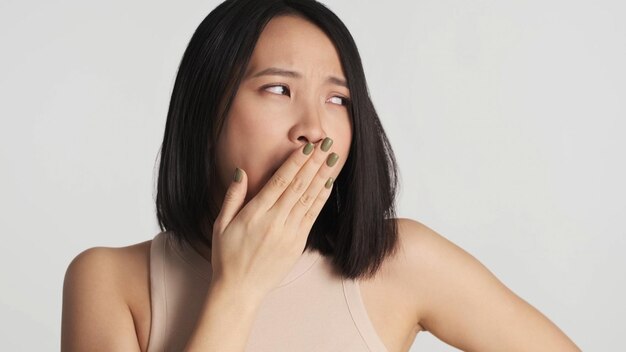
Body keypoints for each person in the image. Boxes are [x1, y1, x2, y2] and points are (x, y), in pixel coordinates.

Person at [61, 0, 582, 351]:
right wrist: (237, 289)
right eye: (278, 90)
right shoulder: (108, 282)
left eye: (337, 99)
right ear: (205, 110)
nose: (313, 128)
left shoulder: (401, 259)